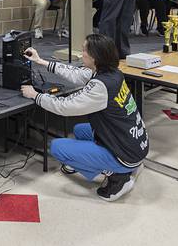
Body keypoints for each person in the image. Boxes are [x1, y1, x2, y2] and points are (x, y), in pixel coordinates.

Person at [20, 34, 148, 201]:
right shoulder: (113, 74)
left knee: (57, 147)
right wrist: (41, 61)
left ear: (95, 57)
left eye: (84, 50)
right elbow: (76, 74)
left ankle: (118, 176)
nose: (81, 53)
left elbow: (64, 106)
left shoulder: (101, 86)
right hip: (134, 143)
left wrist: (35, 96)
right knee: (79, 130)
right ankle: (123, 166)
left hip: (126, 153)